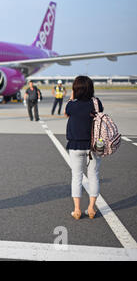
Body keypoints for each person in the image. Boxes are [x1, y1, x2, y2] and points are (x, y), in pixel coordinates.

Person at [65, 76, 103, 220]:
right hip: (94, 145)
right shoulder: (96, 103)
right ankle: (91, 208)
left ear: (75, 89)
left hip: (76, 145)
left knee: (77, 177)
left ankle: (77, 210)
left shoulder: (72, 105)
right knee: (94, 176)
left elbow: (66, 112)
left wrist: (72, 97)